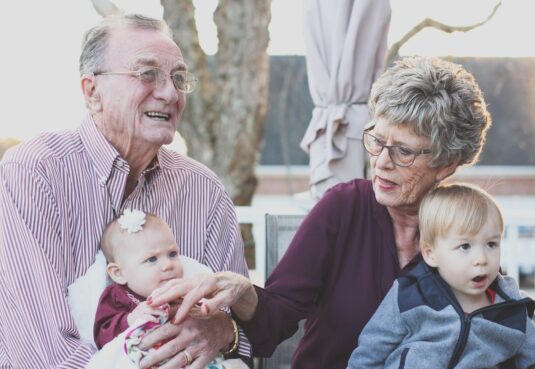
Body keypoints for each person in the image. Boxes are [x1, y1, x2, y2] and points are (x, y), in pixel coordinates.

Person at [145, 56, 493, 369]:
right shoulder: (343, 209)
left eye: (404, 151)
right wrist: (244, 291)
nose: (382, 163)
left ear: (446, 164)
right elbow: (272, 324)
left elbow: (493, 329)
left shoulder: (469, 229)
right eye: (377, 140)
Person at [0, 13, 250, 369]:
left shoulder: (204, 190)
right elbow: (40, 351)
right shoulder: (34, 173)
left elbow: (239, 333)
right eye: (147, 74)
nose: (169, 93)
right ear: (92, 91)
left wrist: (225, 331)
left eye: (178, 78)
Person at [347, 183, 535, 369]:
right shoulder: (410, 295)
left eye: (491, 244)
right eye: (465, 247)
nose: (481, 259)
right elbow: (370, 353)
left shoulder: (514, 311)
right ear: (430, 254)